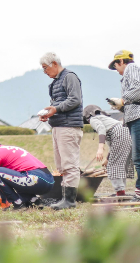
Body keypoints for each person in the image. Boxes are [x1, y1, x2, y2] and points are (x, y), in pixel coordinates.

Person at [109, 50, 140, 202]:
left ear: (122, 62)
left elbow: (138, 89)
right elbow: (136, 96)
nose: (116, 70)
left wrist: (122, 100)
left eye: (116, 66)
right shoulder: (129, 73)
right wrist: (121, 106)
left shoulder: (132, 68)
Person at [39, 52, 83, 210]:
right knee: (61, 165)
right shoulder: (55, 83)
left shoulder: (69, 77)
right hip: (58, 126)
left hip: (68, 126)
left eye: (45, 68)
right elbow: (58, 105)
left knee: (70, 164)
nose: (45, 72)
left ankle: (70, 200)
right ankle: (65, 197)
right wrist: (49, 114)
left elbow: (75, 99)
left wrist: (55, 108)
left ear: (54, 64)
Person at [0, 142, 54, 209]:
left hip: (36, 179)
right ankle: (34, 200)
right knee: (13, 176)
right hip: (49, 180)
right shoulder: (5, 149)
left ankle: (18, 203)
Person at [83, 104, 134, 197]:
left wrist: (100, 148)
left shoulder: (93, 119)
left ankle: (120, 192)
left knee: (113, 166)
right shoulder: (106, 119)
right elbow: (113, 145)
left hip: (120, 135)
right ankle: (121, 191)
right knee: (121, 165)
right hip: (129, 133)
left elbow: (101, 129)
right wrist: (107, 158)